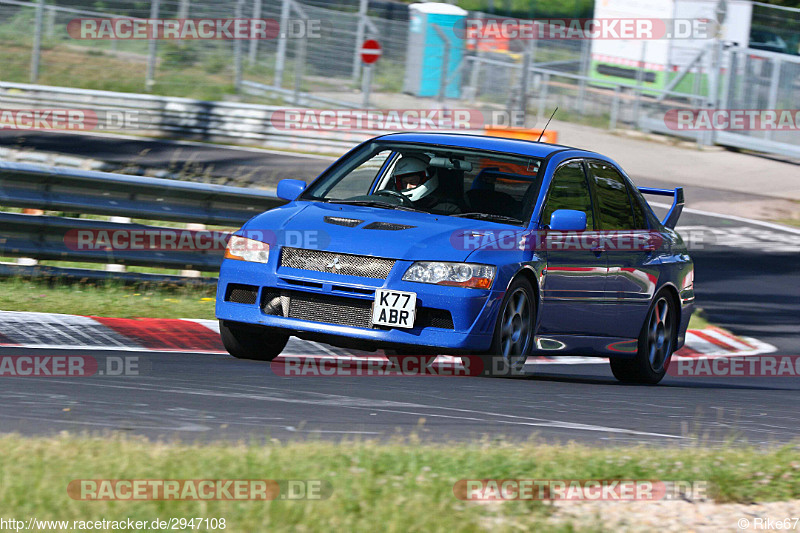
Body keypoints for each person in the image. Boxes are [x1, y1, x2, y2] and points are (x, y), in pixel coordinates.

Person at [391, 155, 460, 214]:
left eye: (413, 182)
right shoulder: (393, 204)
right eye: (404, 183)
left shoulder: (447, 209)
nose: (408, 187)